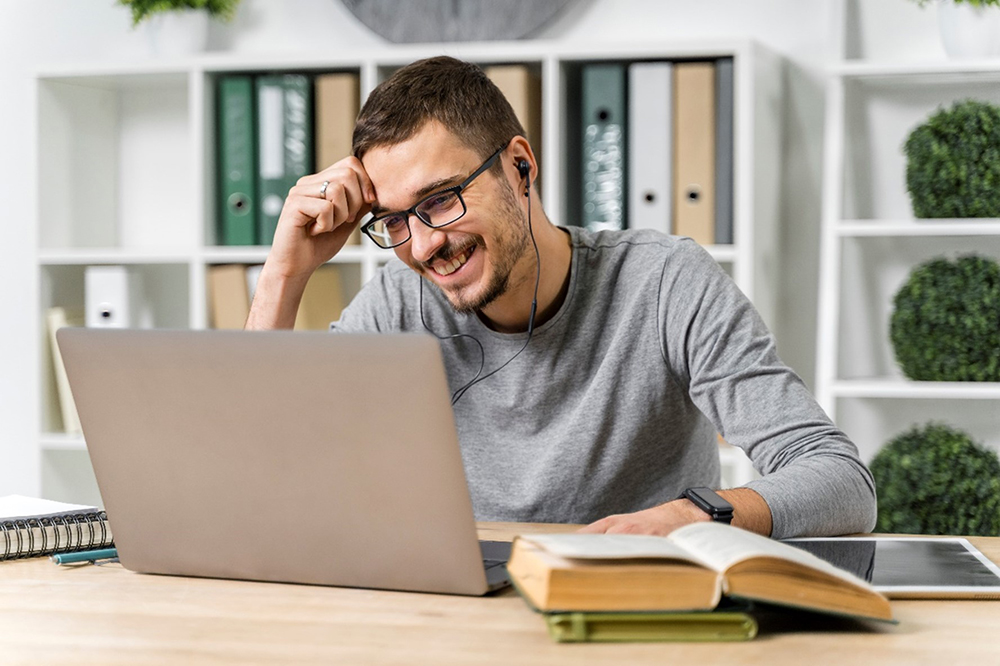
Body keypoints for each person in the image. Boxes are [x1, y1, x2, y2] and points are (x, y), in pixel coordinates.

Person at [246, 56, 876, 539]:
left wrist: (694, 518)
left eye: (440, 200)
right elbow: (262, 464)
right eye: (396, 220)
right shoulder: (398, 303)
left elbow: (840, 481)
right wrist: (283, 273)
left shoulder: (663, 283)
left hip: (629, 606)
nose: (423, 246)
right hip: (462, 610)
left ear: (519, 166)